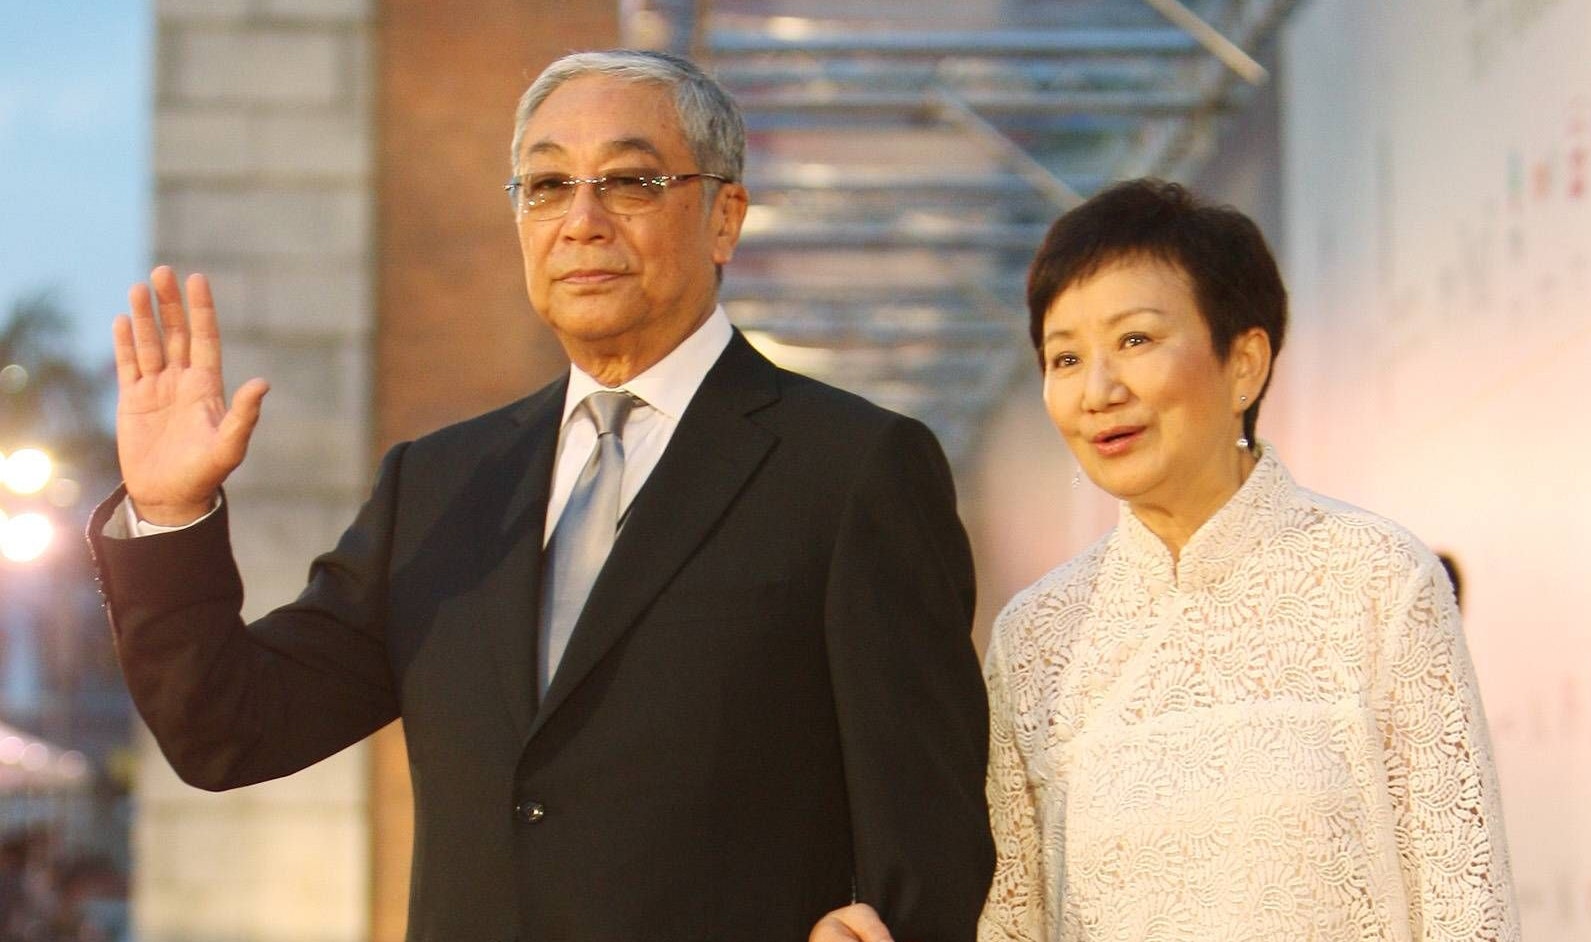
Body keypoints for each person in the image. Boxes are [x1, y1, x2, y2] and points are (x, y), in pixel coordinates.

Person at [88, 50, 994, 941]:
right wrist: (169, 516)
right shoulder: (440, 483)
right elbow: (231, 731)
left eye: (632, 182)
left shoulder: (851, 467)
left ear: (725, 218)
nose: (583, 220)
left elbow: (925, 823)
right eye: (546, 186)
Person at [814, 179, 1518, 941]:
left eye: (1136, 341)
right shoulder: (1038, 635)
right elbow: (1011, 921)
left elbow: (1466, 908)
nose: (1098, 390)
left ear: (1243, 362)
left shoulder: (1379, 579)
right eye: (1065, 357)